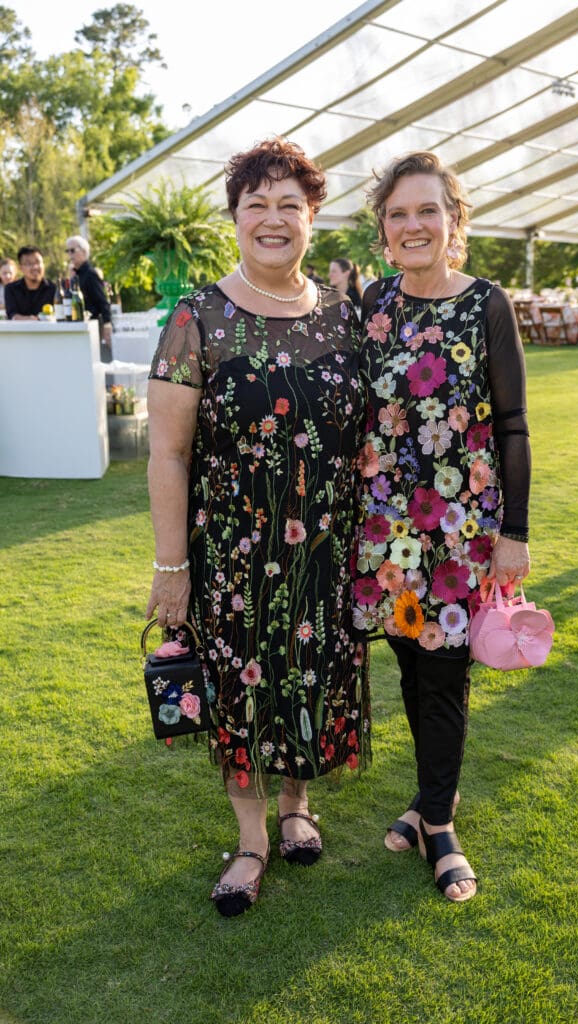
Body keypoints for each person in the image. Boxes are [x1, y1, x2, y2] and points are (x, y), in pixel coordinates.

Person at [145, 137, 368, 918]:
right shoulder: (196, 318)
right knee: (241, 695)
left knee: (309, 678)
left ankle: (298, 803)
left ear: (311, 218)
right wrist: (172, 568)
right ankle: (250, 841)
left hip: (326, 554)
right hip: (233, 555)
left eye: (289, 205)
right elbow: (168, 454)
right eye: (255, 205)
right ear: (234, 219)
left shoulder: (347, 317)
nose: (272, 219)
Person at [353, 151, 531, 904]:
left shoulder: (486, 302)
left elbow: (514, 425)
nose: (413, 224)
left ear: (453, 222)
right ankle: (431, 804)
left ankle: (439, 826)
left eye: (428, 210)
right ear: (383, 231)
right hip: (387, 528)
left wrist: (513, 532)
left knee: (445, 676)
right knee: (406, 661)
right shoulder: (371, 304)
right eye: (399, 213)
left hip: (460, 532)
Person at [65, 235, 113, 358]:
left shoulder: (90, 274)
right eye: (67, 251)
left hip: (92, 327)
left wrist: (107, 324)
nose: (70, 255)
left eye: (73, 250)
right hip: (80, 326)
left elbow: (102, 301)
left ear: (84, 252)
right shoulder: (76, 274)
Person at [4, 247, 54, 320]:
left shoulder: (53, 288)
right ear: (20, 268)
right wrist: (33, 319)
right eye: (28, 264)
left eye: (38, 262)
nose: (35, 267)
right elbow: (12, 315)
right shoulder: (11, 289)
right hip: (20, 330)